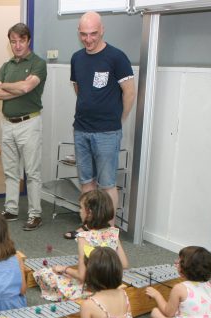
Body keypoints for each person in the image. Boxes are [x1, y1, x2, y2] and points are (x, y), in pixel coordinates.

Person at [69, 11, 135, 235]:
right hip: (81, 129)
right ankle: (89, 225)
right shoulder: (77, 58)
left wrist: (119, 119)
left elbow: (129, 92)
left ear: (102, 30)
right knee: (86, 181)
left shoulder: (117, 57)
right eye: (84, 34)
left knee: (107, 184)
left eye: (93, 34)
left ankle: (108, 230)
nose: (88, 39)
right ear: (79, 32)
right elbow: (79, 88)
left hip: (108, 131)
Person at [0, 23, 47, 231]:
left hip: (29, 123)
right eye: (13, 41)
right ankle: (11, 209)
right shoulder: (7, 66)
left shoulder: (38, 64)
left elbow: (26, 86)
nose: (17, 45)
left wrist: (5, 86)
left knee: (32, 172)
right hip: (7, 124)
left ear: (28, 40)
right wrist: (15, 88)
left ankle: (35, 214)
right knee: (10, 171)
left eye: (21, 40)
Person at [33, 189, 128, 301]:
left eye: (81, 208)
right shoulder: (113, 232)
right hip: (110, 284)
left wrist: (65, 269)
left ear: (90, 213)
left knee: (43, 273)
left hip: (90, 289)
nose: (80, 211)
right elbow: (124, 264)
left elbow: (82, 276)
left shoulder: (84, 237)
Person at [143, 246, 211, 318]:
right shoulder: (209, 285)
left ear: (184, 270)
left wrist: (157, 295)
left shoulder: (179, 288)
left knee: (155, 312)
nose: (176, 262)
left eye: (180, 261)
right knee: (183, 310)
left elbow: (168, 313)